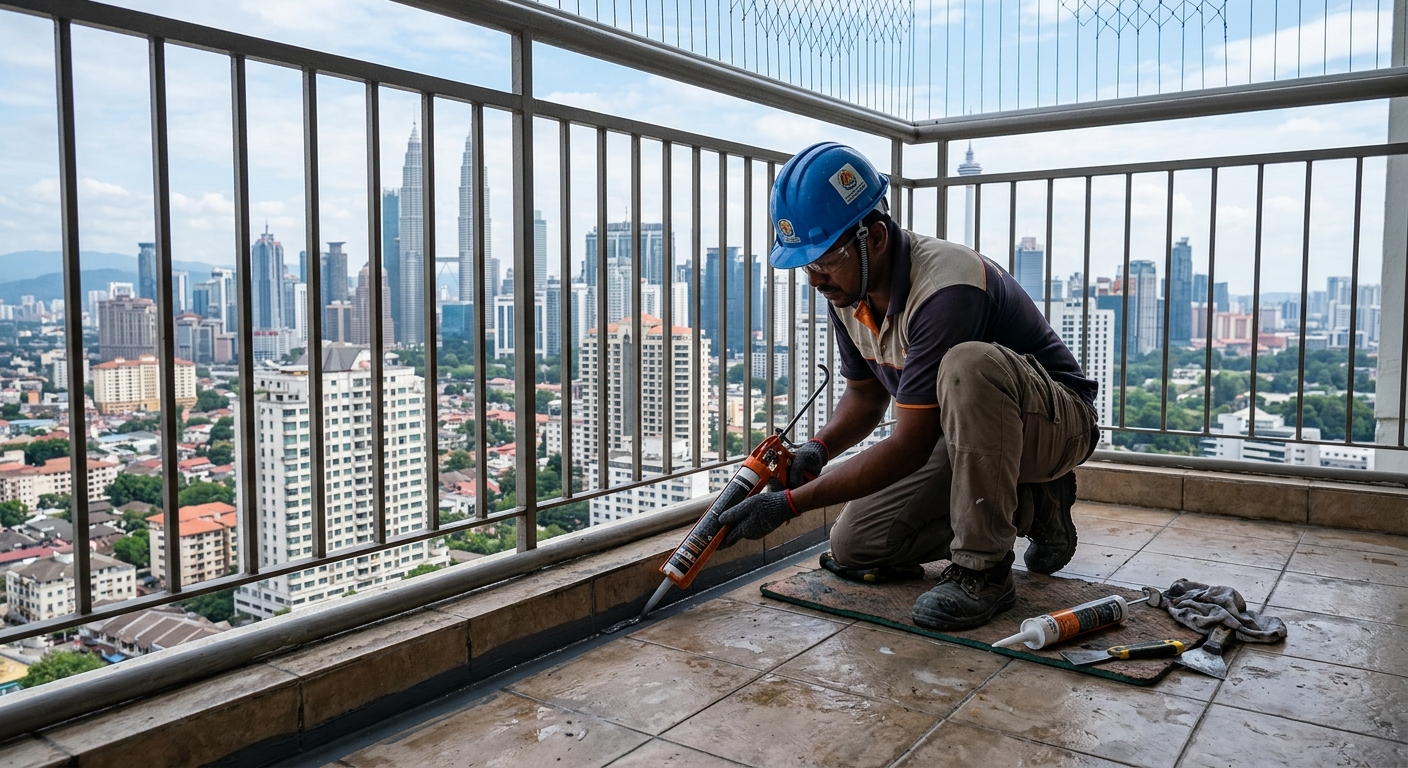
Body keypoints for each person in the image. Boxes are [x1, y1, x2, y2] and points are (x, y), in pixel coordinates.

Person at [718, 142, 1100, 631]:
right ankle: (1036, 507)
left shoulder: (946, 288)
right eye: (805, 266)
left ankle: (983, 570)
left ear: (873, 236)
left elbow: (907, 448)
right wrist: (818, 447)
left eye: (823, 261)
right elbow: (865, 395)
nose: (814, 279)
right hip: (966, 439)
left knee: (970, 364)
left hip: (1055, 427)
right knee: (856, 545)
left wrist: (787, 506)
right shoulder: (848, 291)